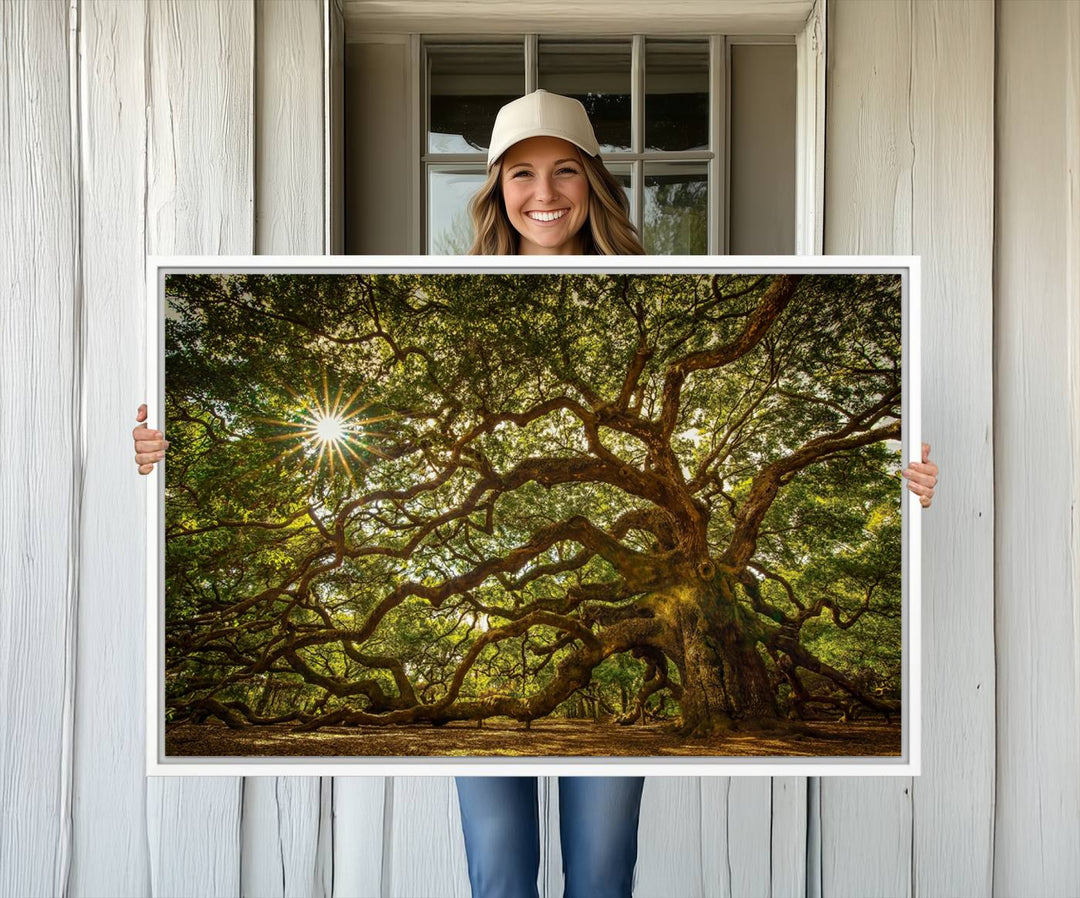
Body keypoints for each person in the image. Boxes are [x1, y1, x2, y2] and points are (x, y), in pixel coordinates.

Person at [132, 90, 939, 898]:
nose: (544, 194)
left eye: (564, 172)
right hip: (497, 617)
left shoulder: (661, 292)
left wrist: (900, 476)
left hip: (617, 573)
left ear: (593, 182)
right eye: (522, 173)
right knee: (500, 876)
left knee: (600, 875)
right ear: (496, 189)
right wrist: (170, 452)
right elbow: (343, 431)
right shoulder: (450, 303)